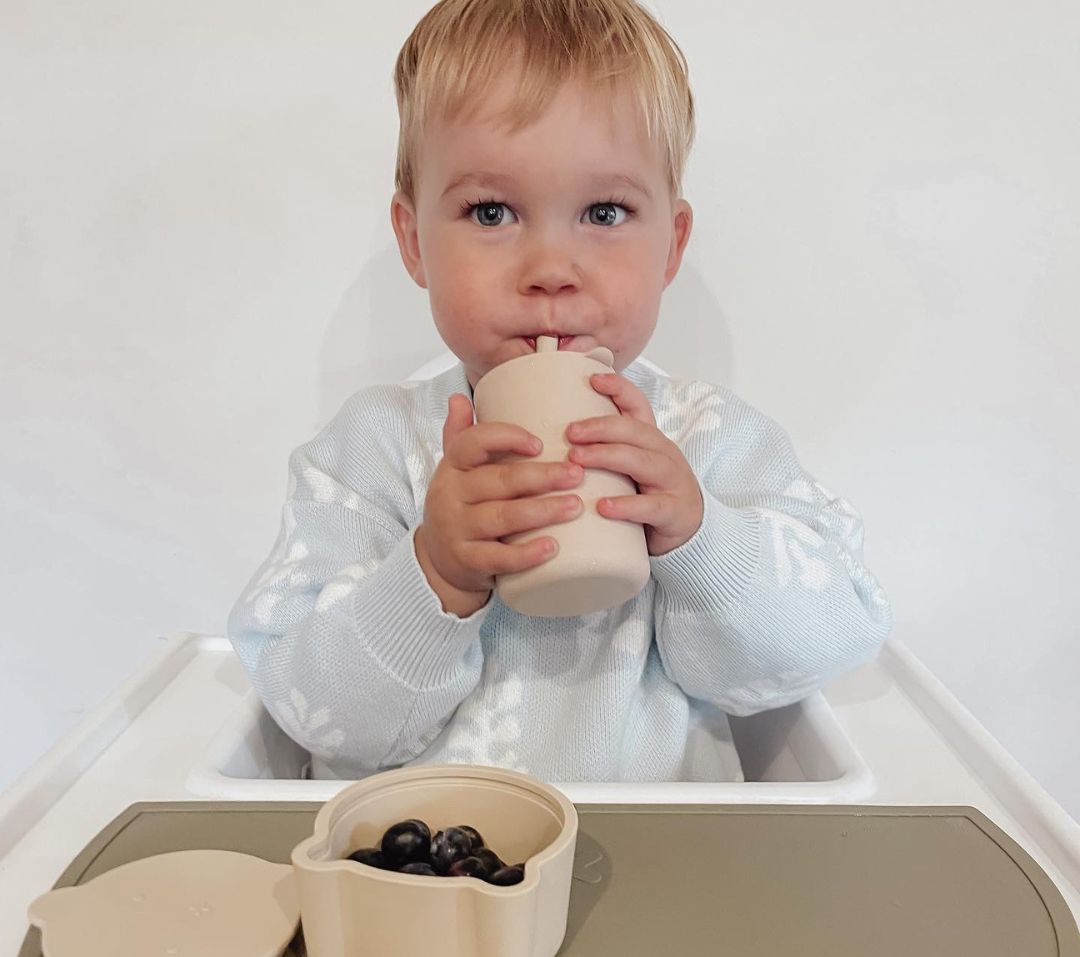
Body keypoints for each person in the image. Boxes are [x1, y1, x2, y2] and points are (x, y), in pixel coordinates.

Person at [227, 0, 893, 783]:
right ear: (415, 243)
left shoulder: (709, 437)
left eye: (604, 212)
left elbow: (833, 640)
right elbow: (307, 711)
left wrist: (700, 537)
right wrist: (434, 572)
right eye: (491, 211)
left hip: (664, 868)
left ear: (671, 246)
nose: (551, 267)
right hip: (423, 880)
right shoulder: (371, 452)